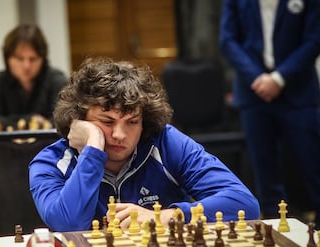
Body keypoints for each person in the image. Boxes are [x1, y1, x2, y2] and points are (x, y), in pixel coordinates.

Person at [29, 57, 260, 232]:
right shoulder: (50, 162)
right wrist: (93, 147)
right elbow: (69, 224)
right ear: (78, 120)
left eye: (132, 122)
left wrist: (164, 216)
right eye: (107, 122)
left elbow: (245, 204)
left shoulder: (166, 142)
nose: (120, 134)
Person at [219, 0, 320, 227]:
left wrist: (279, 78)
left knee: (313, 164)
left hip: (298, 91)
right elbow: (228, 40)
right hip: (253, 91)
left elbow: (314, 39)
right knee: (264, 169)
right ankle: (276, 229)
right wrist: (257, 79)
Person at [0, 24, 68, 131]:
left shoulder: (57, 80)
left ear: (43, 58)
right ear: (7, 58)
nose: (26, 66)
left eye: (33, 59)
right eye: (20, 59)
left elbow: (66, 121)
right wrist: (31, 120)